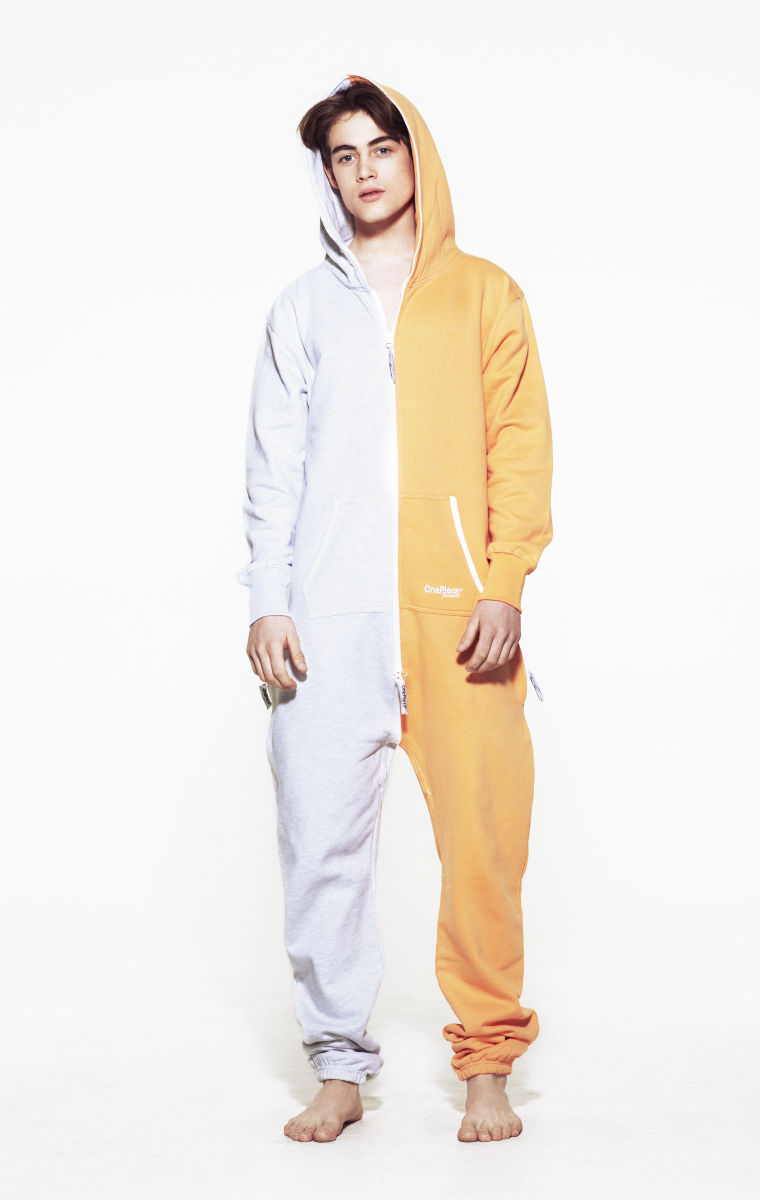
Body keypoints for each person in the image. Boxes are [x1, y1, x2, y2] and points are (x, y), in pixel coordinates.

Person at [237, 72, 553, 1144]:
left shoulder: (487, 296)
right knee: (320, 847)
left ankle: (487, 1064)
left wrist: (502, 583)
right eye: (344, 155)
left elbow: (520, 450)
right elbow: (273, 467)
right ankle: (337, 1068)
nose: (365, 169)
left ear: (416, 155)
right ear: (327, 176)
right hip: (326, 626)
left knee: (483, 846)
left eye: (381, 146)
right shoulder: (300, 309)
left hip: (460, 621)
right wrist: (269, 600)